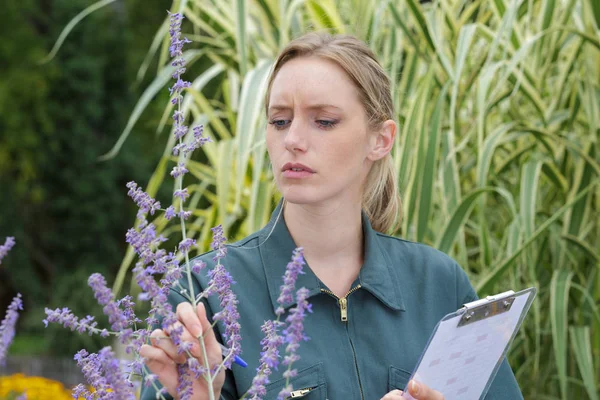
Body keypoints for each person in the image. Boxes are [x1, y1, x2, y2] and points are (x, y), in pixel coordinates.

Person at [139, 32, 523, 400]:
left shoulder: (439, 285)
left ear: (381, 139)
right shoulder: (204, 295)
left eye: (323, 121)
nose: (293, 140)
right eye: (279, 120)